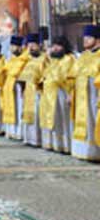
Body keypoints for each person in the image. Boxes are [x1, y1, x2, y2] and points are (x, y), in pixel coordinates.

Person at [40, 36, 75, 153]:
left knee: (63, 121)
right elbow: (44, 73)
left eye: (58, 46)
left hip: (61, 93)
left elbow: (61, 77)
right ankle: (55, 144)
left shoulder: (68, 59)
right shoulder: (53, 60)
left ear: (64, 47)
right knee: (53, 120)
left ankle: (66, 145)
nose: (55, 48)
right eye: (53, 46)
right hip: (49, 94)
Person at [69, 25, 100, 161]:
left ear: (97, 39)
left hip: (95, 94)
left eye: (88, 38)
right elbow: (73, 76)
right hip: (81, 95)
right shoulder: (82, 56)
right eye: (85, 38)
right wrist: (71, 92)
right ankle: (85, 151)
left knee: (94, 120)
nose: (85, 41)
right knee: (84, 121)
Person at [20, 33, 48, 147]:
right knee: (28, 115)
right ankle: (29, 138)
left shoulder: (45, 59)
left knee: (37, 116)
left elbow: (47, 74)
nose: (30, 47)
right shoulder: (29, 60)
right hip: (28, 91)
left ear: (40, 45)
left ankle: (38, 140)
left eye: (33, 45)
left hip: (38, 91)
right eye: (29, 45)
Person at [2, 36, 29, 140]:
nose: (12, 49)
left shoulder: (25, 59)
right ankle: (11, 131)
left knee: (18, 109)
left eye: (14, 46)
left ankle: (19, 132)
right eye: (11, 46)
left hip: (19, 89)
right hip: (9, 87)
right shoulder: (12, 60)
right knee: (10, 108)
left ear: (20, 47)